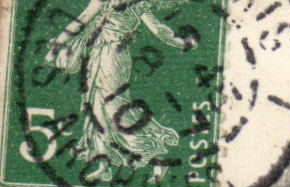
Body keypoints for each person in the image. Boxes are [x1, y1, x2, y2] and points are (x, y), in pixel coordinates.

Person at [47, 0, 196, 176]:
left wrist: (56, 46)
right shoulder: (139, 4)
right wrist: (181, 42)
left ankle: (151, 151)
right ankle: (104, 163)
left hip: (107, 57)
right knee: (98, 107)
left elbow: (82, 21)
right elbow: (159, 29)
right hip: (114, 56)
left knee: (110, 108)